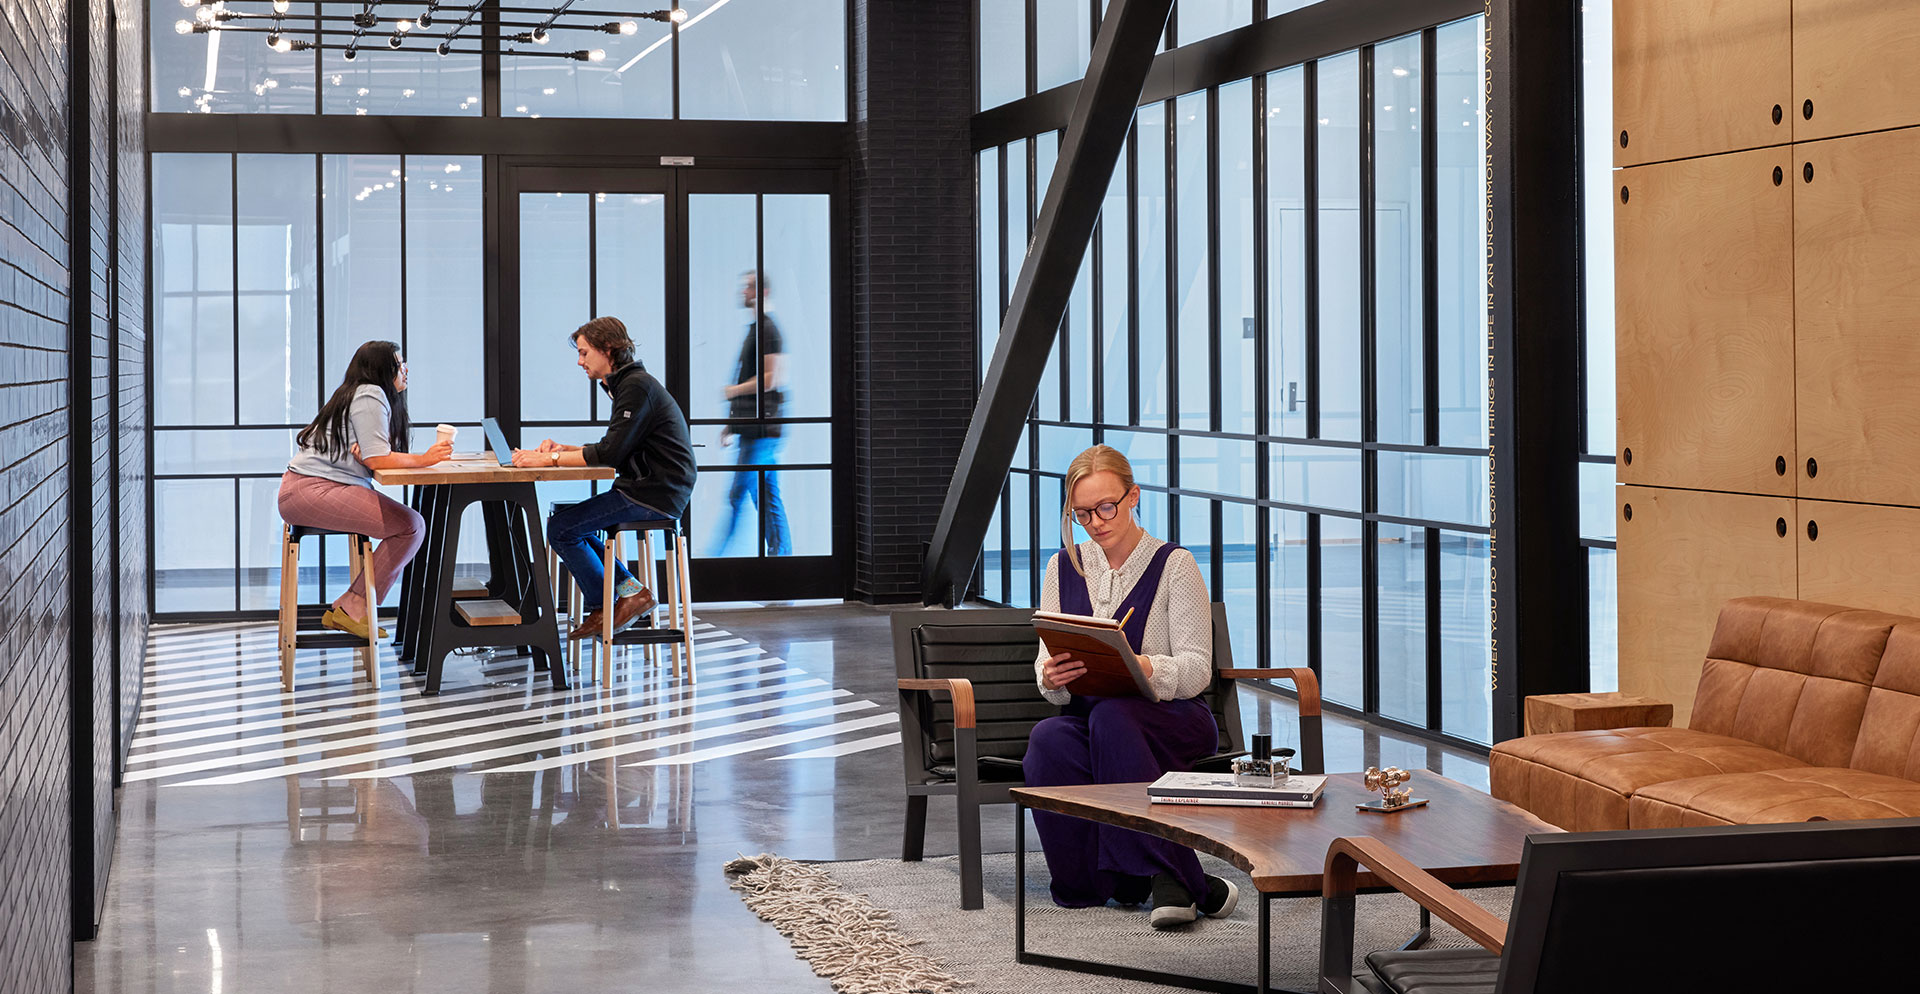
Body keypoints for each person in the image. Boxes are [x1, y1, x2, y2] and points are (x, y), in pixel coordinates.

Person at [1022, 444, 1237, 929]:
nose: (1095, 522)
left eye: (1105, 507)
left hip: (1173, 720)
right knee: (1048, 740)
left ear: (1133, 496)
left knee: (1114, 717)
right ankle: (1117, 882)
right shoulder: (1063, 567)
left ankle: (1165, 877)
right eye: (1082, 514)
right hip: (1096, 719)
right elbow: (1046, 661)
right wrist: (1051, 678)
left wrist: (1142, 666)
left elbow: (1198, 669)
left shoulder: (1174, 564)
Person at [515, 316, 696, 638]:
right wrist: (566, 449)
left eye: (584, 353)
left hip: (654, 493)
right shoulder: (628, 385)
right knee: (569, 523)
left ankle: (607, 607)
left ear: (608, 349)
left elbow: (611, 454)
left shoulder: (635, 386)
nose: (579, 361)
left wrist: (550, 458)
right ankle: (631, 594)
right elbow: (618, 446)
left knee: (562, 527)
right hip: (650, 489)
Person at [278, 340, 450, 640]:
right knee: (411, 526)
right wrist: (426, 459)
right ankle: (354, 606)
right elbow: (377, 458)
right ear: (383, 370)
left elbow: (372, 455)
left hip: (309, 487)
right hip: (312, 489)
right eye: (399, 364)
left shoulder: (360, 394)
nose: (405, 369)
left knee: (411, 525)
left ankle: (353, 604)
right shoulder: (371, 394)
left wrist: (369, 458)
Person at [714, 269, 791, 556]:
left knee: (741, 496)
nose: (742, 293)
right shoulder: (757, 329)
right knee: (766, 497)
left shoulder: (768, 330)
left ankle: (714, 561)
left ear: (762, 293)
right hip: (753, 430)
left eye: (747, 288)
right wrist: (730, 426)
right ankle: (780, 564)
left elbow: (771, 378)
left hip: (762, 432)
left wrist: (732, 391)